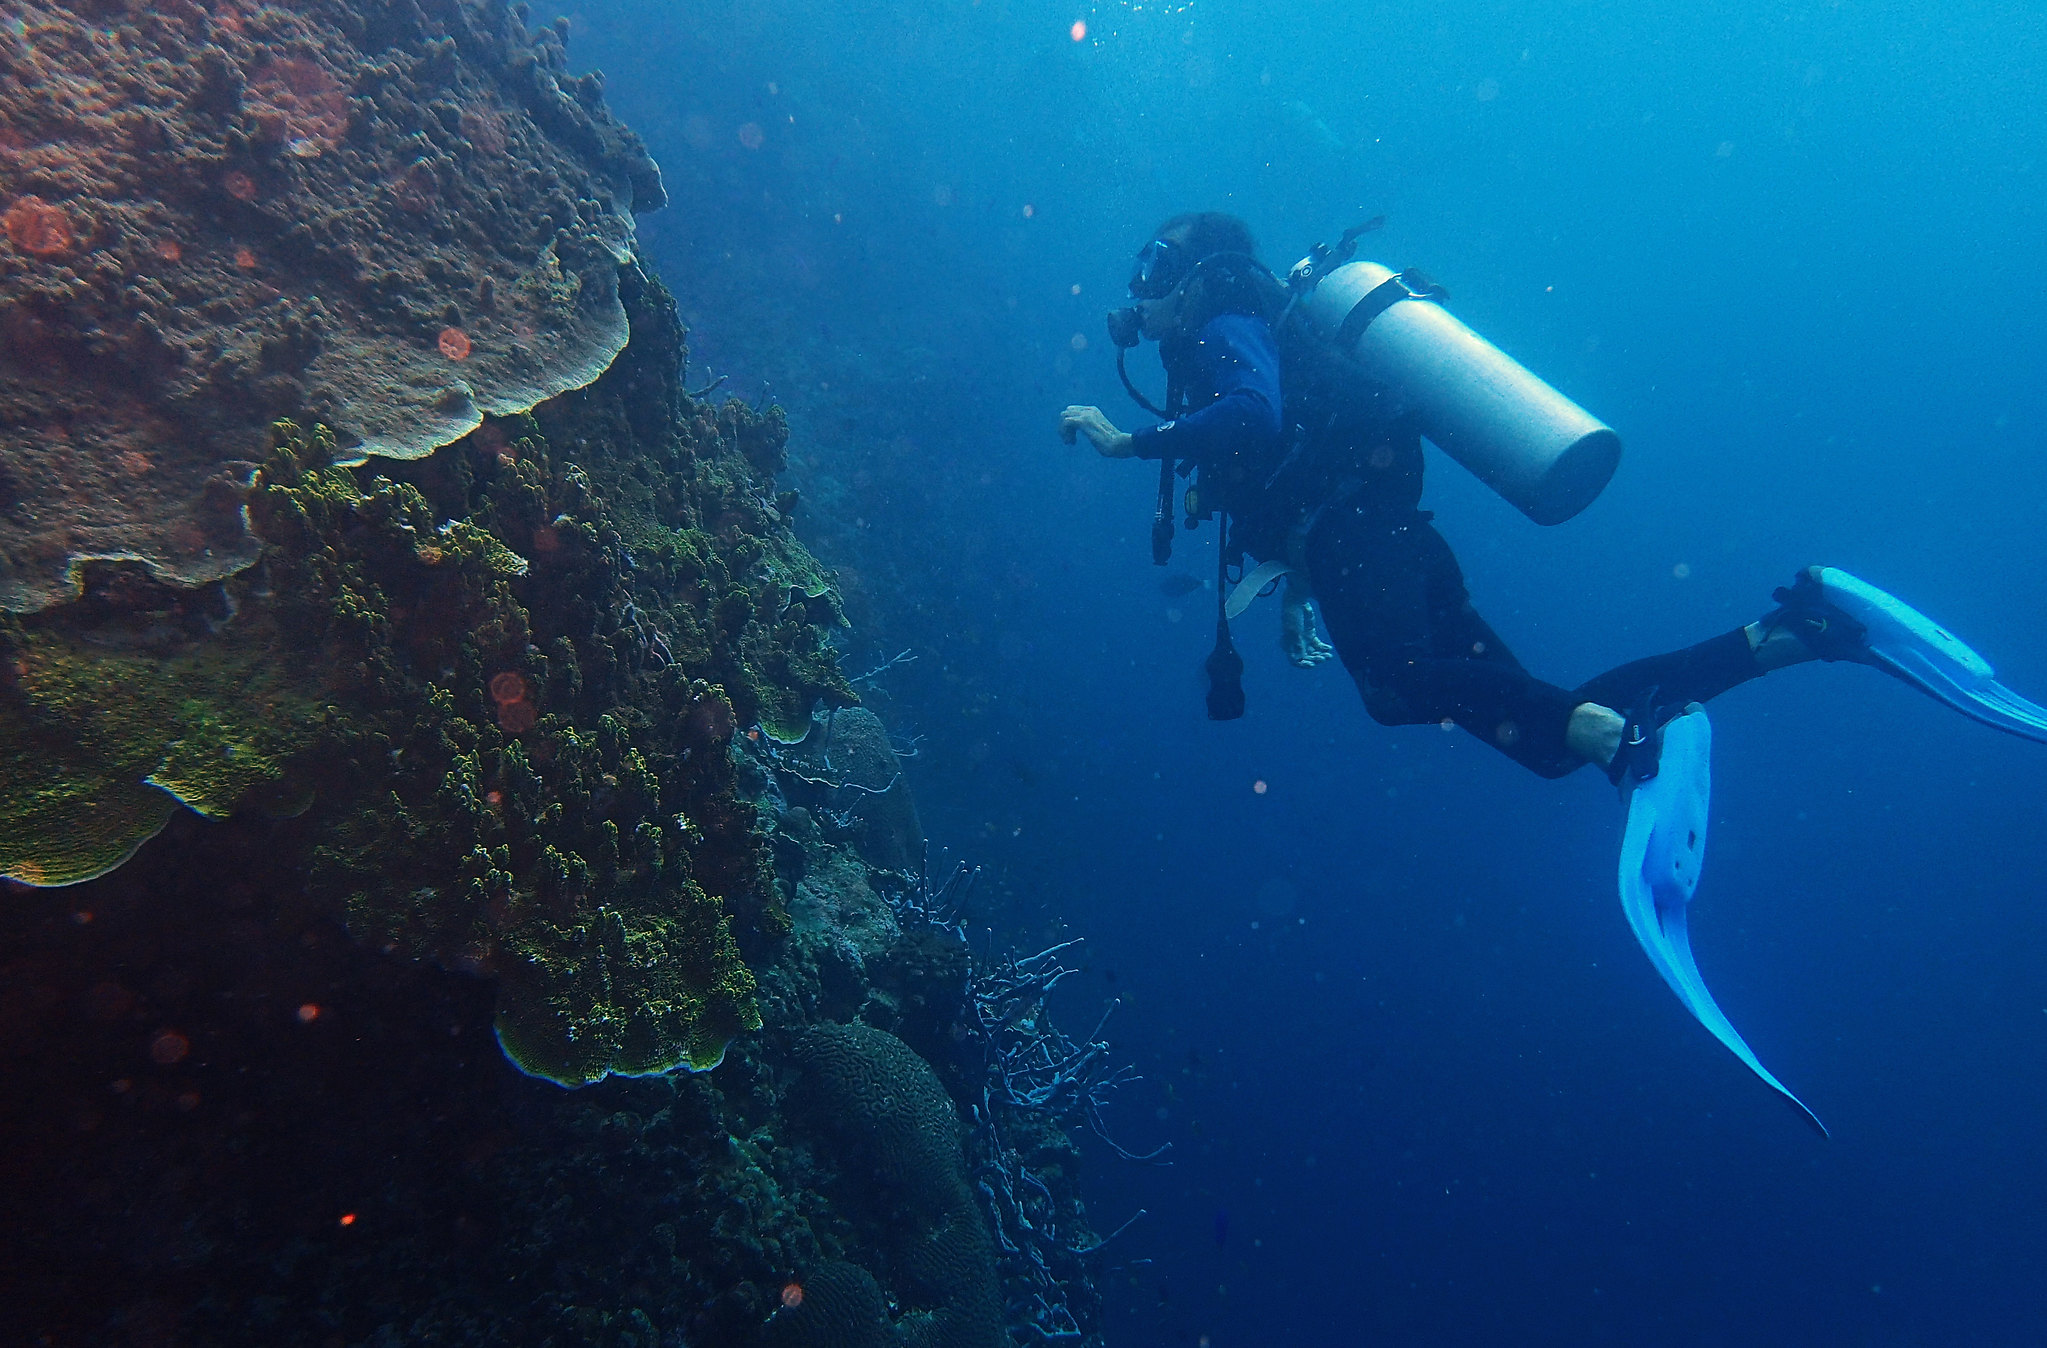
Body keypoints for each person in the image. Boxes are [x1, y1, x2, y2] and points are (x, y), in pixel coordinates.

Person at [1055, 212, 1869, 780]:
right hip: (1389, 532)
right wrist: (1300, 580)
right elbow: (1288, 452)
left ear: (1201, 275)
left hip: (1357, 538)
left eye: (1156, 265)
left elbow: (1254, 415)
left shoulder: (1226, 321)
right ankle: (1781, 636)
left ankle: (1613, 740)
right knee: (1544, 738)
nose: (1141, 285)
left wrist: (1130, 442)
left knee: (1399, 685)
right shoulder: (1260, 334)